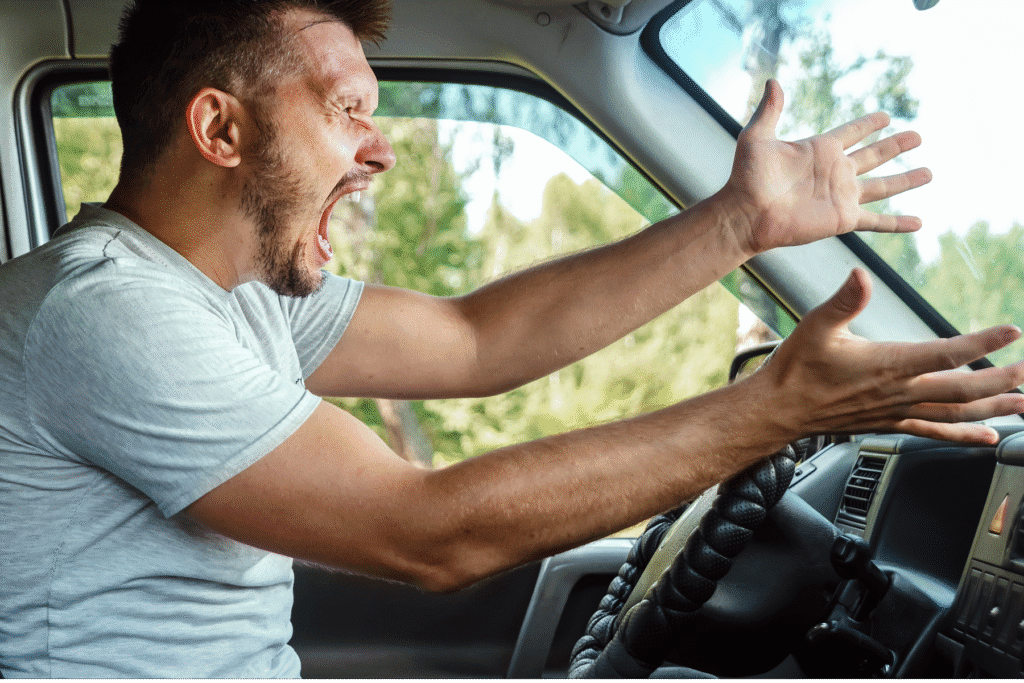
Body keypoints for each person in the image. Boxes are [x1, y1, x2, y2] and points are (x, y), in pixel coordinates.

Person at [1, 0, 1022, 678]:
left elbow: (474, 340)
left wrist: (737, 223)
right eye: (348, 108)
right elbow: (429, 530)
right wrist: (772, 411)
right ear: (221, 132)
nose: (381, 147)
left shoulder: (232, 293)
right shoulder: (106, 314)